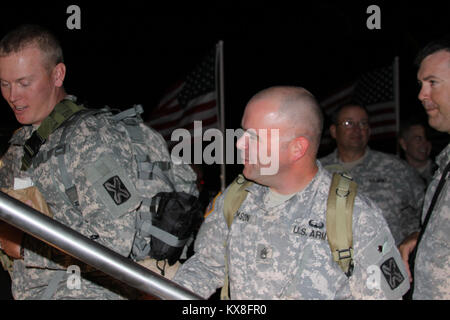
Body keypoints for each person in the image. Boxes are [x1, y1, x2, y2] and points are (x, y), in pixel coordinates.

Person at [0, 24, 190, 299]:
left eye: (23, 83)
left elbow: (114, 239)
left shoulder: (90, 138)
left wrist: (26, 247)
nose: (12, 96)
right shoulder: (19, 149)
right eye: (5, 84)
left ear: (57, 75)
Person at [173, 86, 409, 299]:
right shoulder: (236, 198)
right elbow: (205, 266)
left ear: (297, 148)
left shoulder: (354, 216)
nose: (239, 144)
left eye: (253, 136)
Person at [319, 104, 425, 245]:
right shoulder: (318, 172)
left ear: (369, 131)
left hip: (386, 260)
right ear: (333, 131)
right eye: (348, 123)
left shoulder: (396, 168)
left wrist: (414, 237)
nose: (357, 129)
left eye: (363, 123)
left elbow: (429, 211)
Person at [398, 37, 450, 300]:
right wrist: (427, 236)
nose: (421, 95)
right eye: (421, 84)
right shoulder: (446, 163)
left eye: (432, 83)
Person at [399, 119, 437, 185]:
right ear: (404, 144)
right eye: (418, 139)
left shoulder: (440, 172)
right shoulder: (397, 174)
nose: (424, 143)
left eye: (426, 138)